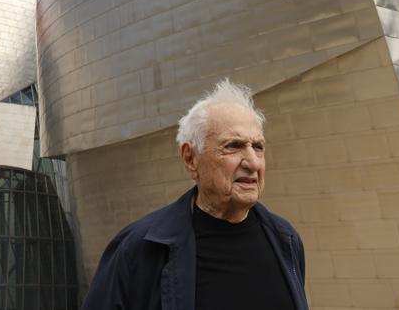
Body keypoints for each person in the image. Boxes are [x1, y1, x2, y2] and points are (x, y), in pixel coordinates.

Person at [81, 79, 308, 310]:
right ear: (190, 159)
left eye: (258, 147)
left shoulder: (285, 239)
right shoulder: (139, 250)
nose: (252, 162)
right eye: (233, 146)